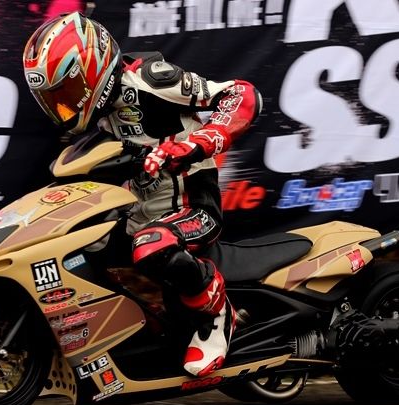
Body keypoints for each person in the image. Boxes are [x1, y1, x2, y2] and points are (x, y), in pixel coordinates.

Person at [23, 12, 262, 377]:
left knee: (151, 246)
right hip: (140, 213)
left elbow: (241, 94)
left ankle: (216, 315)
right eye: (52, 98)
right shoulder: (95, 114)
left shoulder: (151, 79)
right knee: (73, 249)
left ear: (92, 71)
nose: (63, 105)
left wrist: (197, 143)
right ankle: (135, 331)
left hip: (194, 206)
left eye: (66, 92)